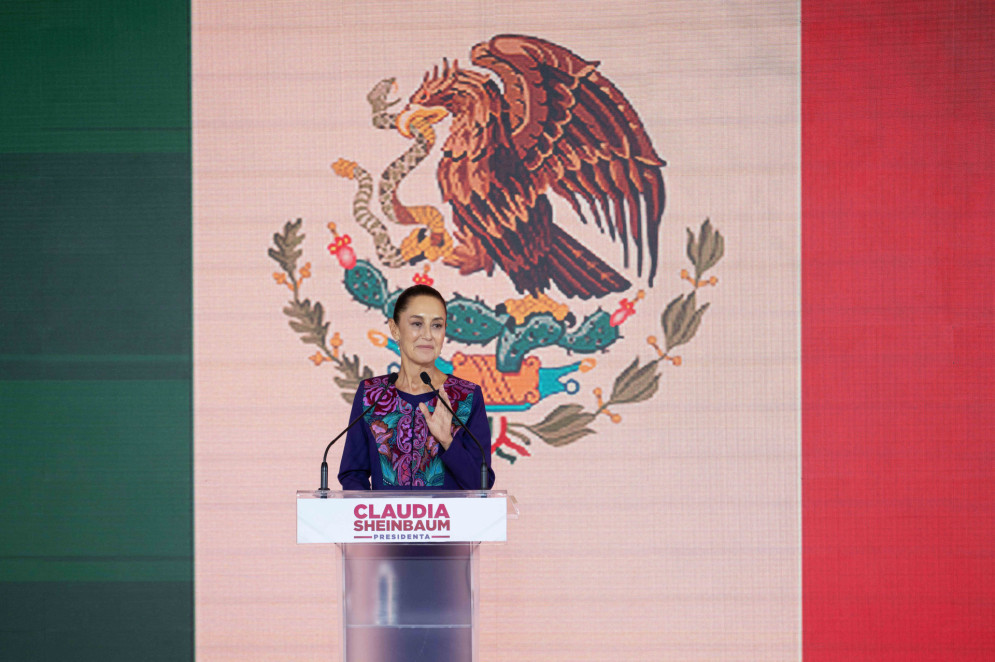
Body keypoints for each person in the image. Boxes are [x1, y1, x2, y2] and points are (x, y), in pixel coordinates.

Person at [337, 284, 495, 490]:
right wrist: (372, 515)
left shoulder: (465, 396)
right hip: (385, 521)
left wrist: (447, 441)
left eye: (437, 325)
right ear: (395, 329)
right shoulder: (371, 394)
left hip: (449, 522)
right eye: (417, 324)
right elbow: (352, 474)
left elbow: (481, 484)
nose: (428, 335)